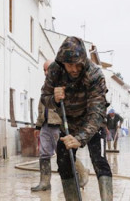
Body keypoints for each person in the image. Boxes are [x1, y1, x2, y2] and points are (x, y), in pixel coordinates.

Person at [40, 36, 116, 201]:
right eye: (69, 65)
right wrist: (54, 100)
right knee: (63, 159)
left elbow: (97, 112)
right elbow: (44, 97)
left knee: (98, 159)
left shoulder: (95, 74)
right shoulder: (55, 71)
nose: (73, 69)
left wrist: (81, 138)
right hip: (68, 121)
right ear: (62, 62)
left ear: (83, 61)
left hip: (93, 122)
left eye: (77, 65)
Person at [32, 59, 88, 192]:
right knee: (44, 153)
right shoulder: (46, 86)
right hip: (46, 124)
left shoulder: (63, 83)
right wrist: (38, 126)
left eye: (48, 69)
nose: (46, 72)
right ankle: (45, 182)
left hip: (59, 124)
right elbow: (41, 107)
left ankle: (83, 174)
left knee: (65, 153)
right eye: (44, 70)